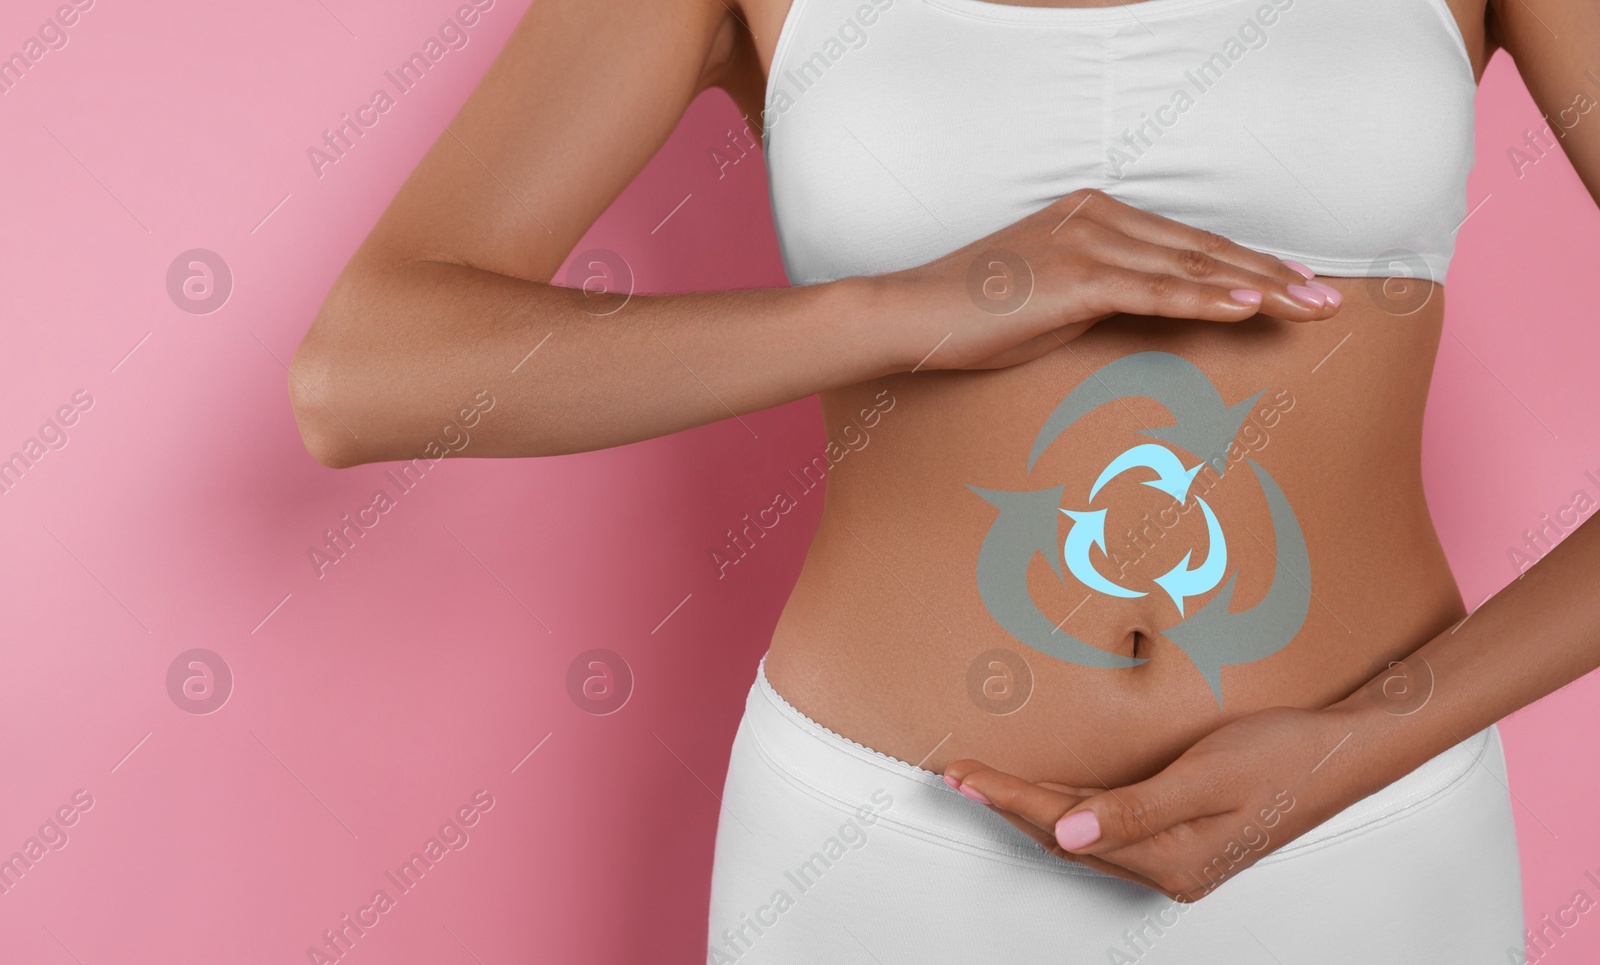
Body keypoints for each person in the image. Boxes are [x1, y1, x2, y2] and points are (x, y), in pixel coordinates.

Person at [288, 0, 1600, 960]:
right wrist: (912, 307)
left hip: (1365, 839)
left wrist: (1363, 747)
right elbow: (367, 372)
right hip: (879, 842)